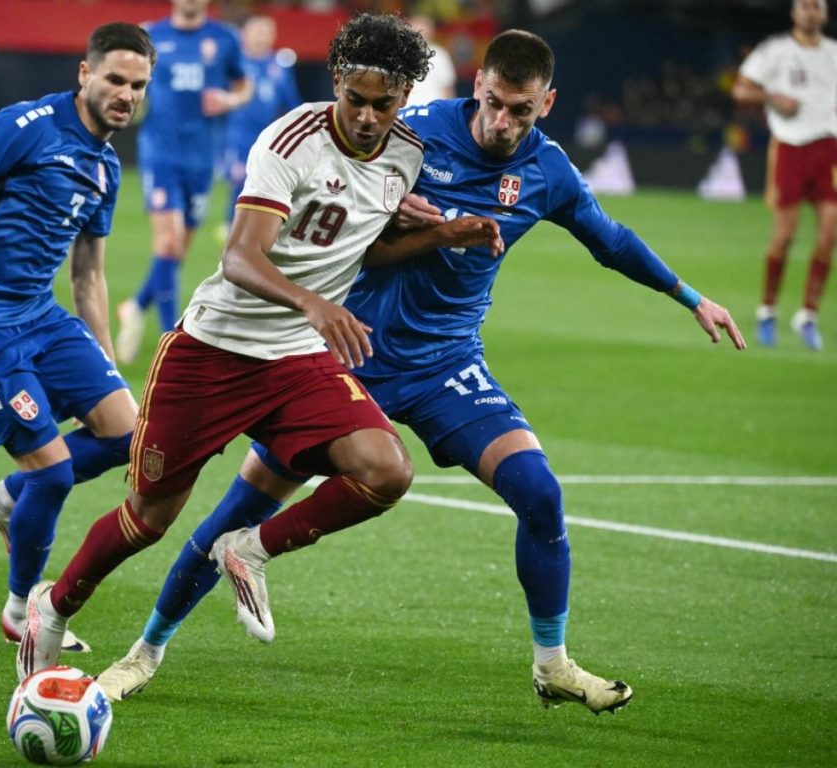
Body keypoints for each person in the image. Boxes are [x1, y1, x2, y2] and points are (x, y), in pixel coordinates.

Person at [95, 29, 746, 715]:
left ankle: (552, 664)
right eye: (494, 103)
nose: (503, 122)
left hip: (446, 362)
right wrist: (397, 217)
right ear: (478, 87)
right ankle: (144, 653)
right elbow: (332, 206)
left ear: (545, 104)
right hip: (349, 355)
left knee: (540, 494)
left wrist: (691, 297)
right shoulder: (413, 136)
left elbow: (609, 239)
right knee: (245, 501)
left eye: (520, 111)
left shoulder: (550, 172)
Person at [15, 12, 500, 681]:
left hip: (296, 360)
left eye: (381, 105)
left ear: (405, 96)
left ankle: (249, 547)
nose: (364, 116)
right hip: (212, 353)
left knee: (387, 470)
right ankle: (55, 606)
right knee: (149, 520)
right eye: (353, 99)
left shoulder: (406, 156)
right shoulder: (292, 138)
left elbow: (369, 246)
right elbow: (241, 257)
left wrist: (441, 237)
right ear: (335, 81)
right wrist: (314, 302)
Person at [0, 23, 156, 653]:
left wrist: (107, 365)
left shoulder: (105, 166)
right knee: (55, 475)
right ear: (84, 74)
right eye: (116, 79)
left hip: (40, 317)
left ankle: (6, 499)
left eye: (138, 85)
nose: (126, 94)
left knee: (132, 433)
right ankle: (22, 608)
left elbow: (89, 274)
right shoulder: (27, 126)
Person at [115, 0, 253, 364]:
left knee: (176, 252)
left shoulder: (224, 38)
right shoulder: (151, 35)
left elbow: (244, 86)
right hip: (160, 153)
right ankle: (169, 342)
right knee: (169, 243)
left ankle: (136, 305)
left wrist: (229, 99)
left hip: (203, 158)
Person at [732, 0, 837, 350]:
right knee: (785, 235)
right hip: (791, 148)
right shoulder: (775, 50)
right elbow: (740, 89)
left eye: (816, 6)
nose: (810, 12)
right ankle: (768, 310)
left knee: (828, 235)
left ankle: (808, 315)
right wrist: (772, 98)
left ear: (824, 13)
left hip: (829, 150)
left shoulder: (834, 53)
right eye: (804, 6)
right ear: (794, 13)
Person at [219, 14, 302, 239]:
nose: (261, 36)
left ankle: (252, 228)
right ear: (244, 34)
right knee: (241, 179)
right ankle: (231, 228)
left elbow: (291, 103)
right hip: (235, 134)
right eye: (257, 30)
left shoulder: (279, 65)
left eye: (266, 31)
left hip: (267, 136)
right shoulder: (235, 63)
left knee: (263, 182)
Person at [405, 14, 457, 108]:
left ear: (431, 32)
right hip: (404, 113)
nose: (420, 33)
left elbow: (447, 88)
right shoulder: (399, 55)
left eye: (423, 29)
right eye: (416, 28)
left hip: (432, 112)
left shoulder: (440, 55)